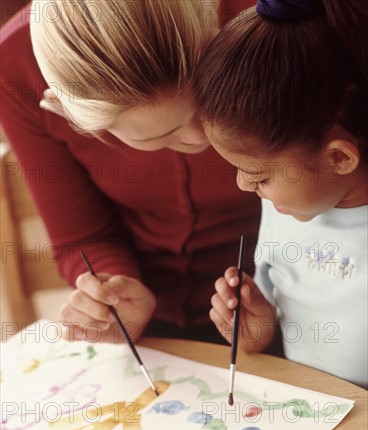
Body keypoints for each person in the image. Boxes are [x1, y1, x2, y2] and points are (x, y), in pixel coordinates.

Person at [194, 0, 368, 430]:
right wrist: (259, 332)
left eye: (257, 174)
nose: (245, 189)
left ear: (339, 158)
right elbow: (293, 336)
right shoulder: (293, 200)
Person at [0, 0, 260, 345]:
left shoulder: (269, 16)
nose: (201, 137)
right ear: (68, 113)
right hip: (151, 334)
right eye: (160, 135)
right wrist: (111, 293)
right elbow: (83, 237)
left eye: (207, 99)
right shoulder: (15, 65)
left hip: (290, 305)